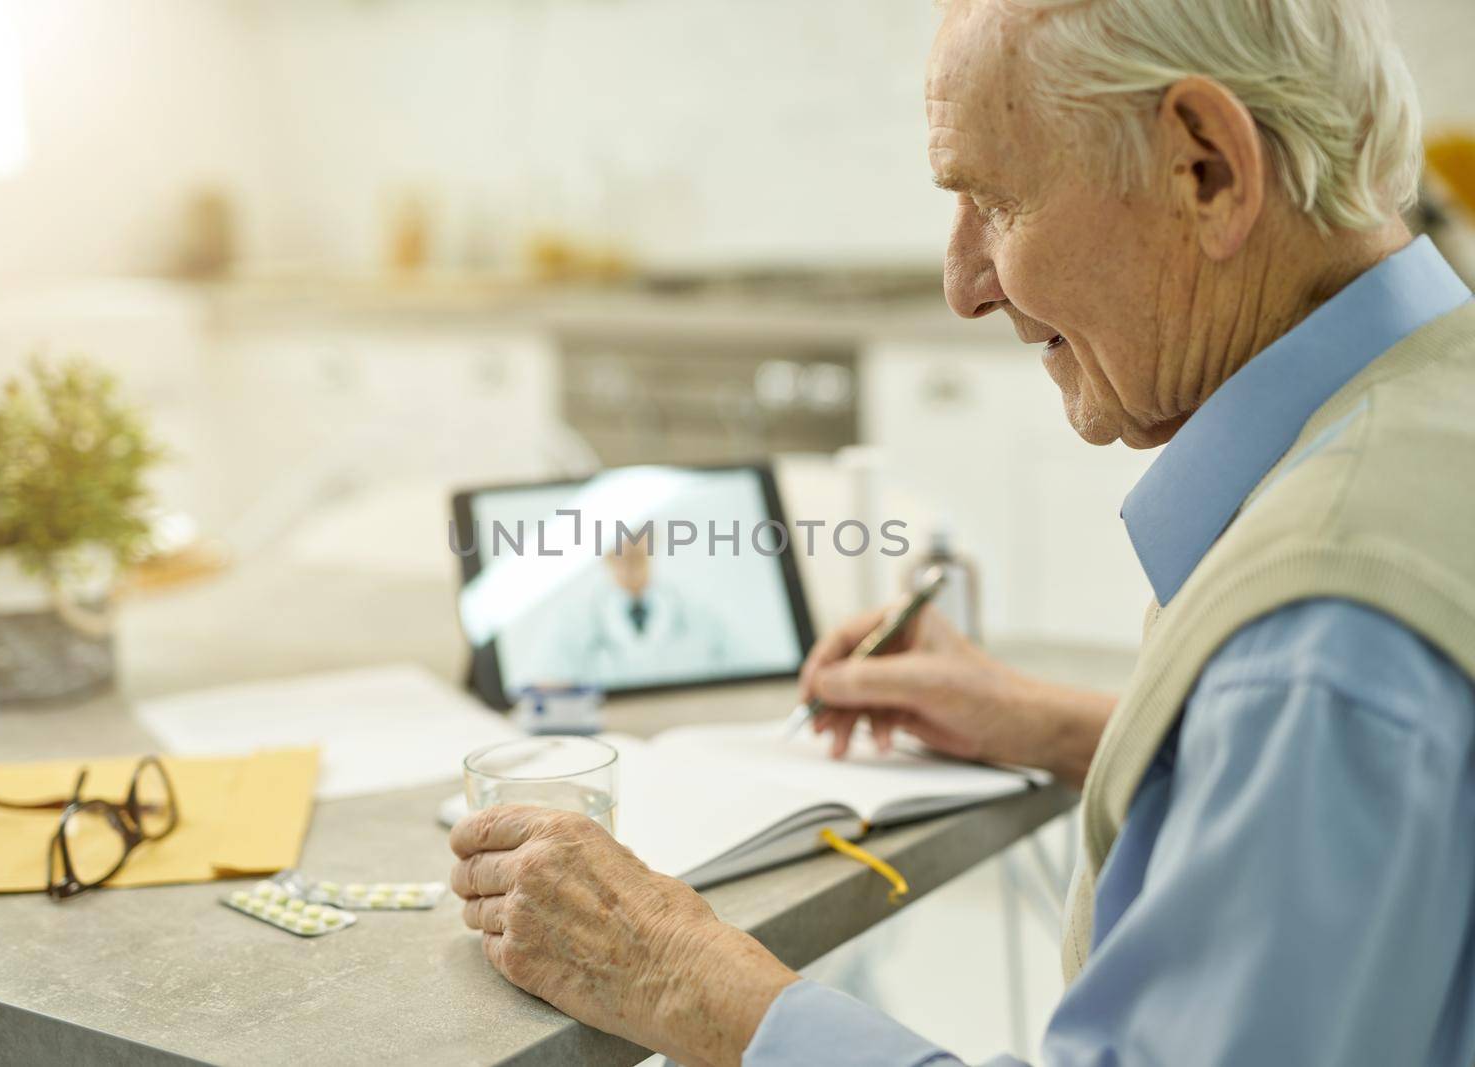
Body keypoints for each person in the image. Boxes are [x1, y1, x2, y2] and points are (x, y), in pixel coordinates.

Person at [449, 0, 1475, 1063]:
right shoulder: (1434, 403)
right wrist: (1059, 723)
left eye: (994, 201)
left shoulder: (1315, 650)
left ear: (1205, 169)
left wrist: (675, 972)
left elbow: (1323, 701)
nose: (963, 283)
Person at [541, 533, 729, 689]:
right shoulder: (573, 621)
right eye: (617, 550)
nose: (626, 546)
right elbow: (547, 686)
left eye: (635, 555)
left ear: (654, 542)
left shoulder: (699, 612)